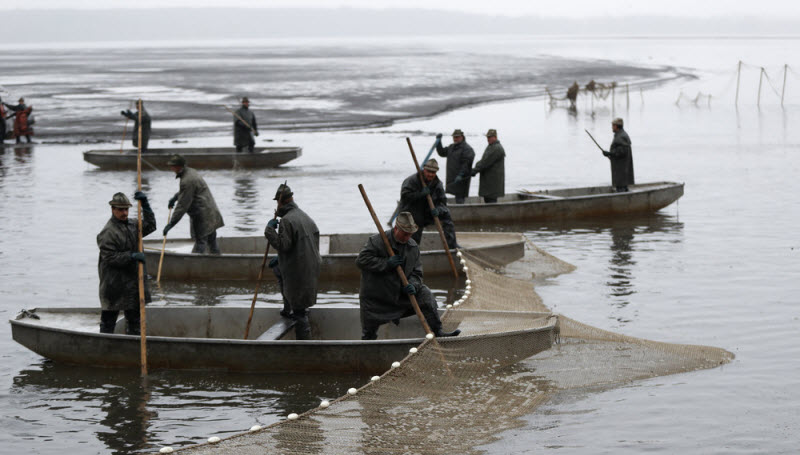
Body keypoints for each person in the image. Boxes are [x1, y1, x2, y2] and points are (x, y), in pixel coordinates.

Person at [356, 212, 461, 340]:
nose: (407, 237)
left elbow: (417, 273)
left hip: (400, 296)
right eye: (405, 234)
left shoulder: (412, 247)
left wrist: (413, 285)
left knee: (425, 294)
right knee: (369, 331)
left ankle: (438, 332)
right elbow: (361, 261)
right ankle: (368, 344)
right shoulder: (377, 241)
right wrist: (386, 263)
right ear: (396, 229)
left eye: (410, 234)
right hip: (376, 298)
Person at [264, 183, 321, 340]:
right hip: (310, 266)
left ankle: (304, 345)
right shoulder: (305, 216)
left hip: (299, 270)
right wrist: (281, 258)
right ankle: (287, 307)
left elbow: (283, 245)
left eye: (277, 202)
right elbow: (304, 245)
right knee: (277, 268)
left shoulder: (287, 221)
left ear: (281, 202)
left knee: (300, 312)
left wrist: (269, 231)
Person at [96, 191, 156, 334]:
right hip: (113, 284)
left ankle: (132, 348)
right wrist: (132, 256)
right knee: (108, 322)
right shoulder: (108, 232)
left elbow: (151, 226)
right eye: (121, 209)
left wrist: (146, 206)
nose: (124, 213)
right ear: (113, 209)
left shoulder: (133, 224)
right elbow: (110, 257)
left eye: (126, 209)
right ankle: (105, 349)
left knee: (135, 321)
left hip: (133, 283)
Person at [162, 154, 225, 254]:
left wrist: (171, 224)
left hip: (202, 215)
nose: (171, 168)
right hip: (210, 212)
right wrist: (175, 197)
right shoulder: (191, 172)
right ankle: (218, 261)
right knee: (212, 240)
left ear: (179, 166)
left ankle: (195, 263)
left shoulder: (187, 180)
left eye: (172, 166)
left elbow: (182, 206)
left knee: (201, 242)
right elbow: (187, 192)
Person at [398, 158, 457, 249]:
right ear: (424, 170)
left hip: (428, 212)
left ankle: (452, 245)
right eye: (428, 171)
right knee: (416, 223)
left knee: (446, 214)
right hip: (412, 212)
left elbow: (443, 201)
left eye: (433, 173)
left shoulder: (437, 184)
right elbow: (405, 198)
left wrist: (438, 210)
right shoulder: (411, 181)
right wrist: (420, 194)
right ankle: (412, 248)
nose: (430, 174)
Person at [435, 128, 475, 204]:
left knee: (460, 197)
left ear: (462, 137)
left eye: (457, 137)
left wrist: (461, 174)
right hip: (453, 177)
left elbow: (466, 163)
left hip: (462, 179)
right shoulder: (452, 147)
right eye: (454, 137)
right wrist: (439, 142)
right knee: (454, 195)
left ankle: (461, 212)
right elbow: (442, 153)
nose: (455, 139)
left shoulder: (467, 149)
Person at [470, 129, 506, 203]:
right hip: (488, 181)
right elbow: (484, 160)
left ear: (495, 137)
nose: (488, 139)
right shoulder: (491, 146)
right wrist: (475, 169)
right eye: (487, 137)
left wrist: (474, 170)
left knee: (491, 201)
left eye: (490, 137)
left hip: (492, 182)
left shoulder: (496, 148)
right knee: (488, 200)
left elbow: (485, 162)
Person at [603, 118, 635, 192]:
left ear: (616, 126)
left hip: (621, 170)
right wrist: (609, 154)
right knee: (622, 187)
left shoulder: (621, 136)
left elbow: (622, 152)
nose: (612, 127)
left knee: (621, 188)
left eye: (613, 125)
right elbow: (619, 152)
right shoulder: (620, 135)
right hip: (621, 169)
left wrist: (609, 153)